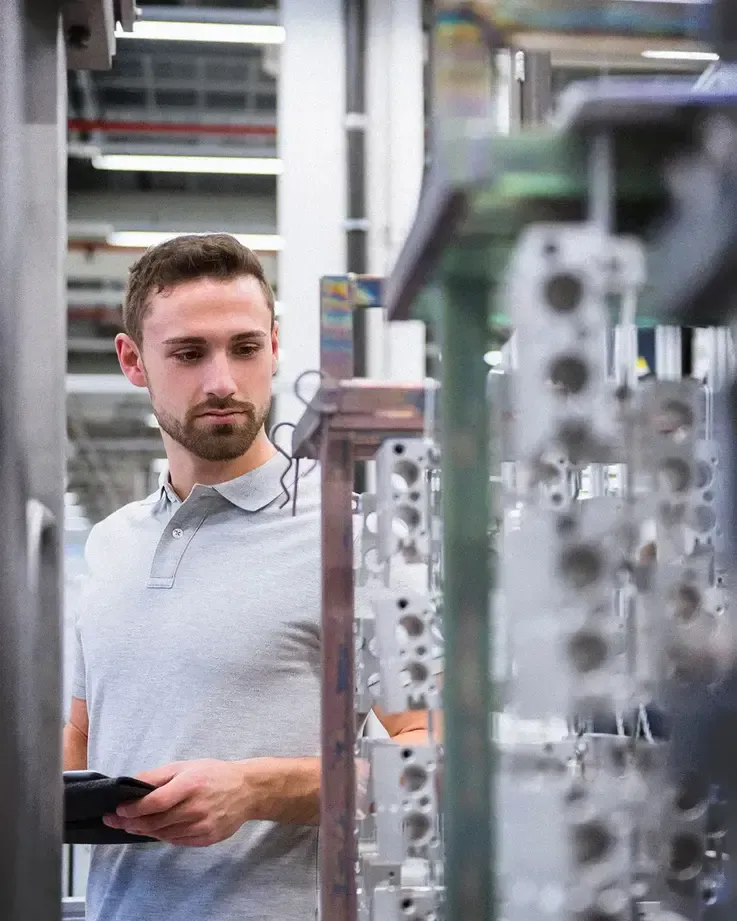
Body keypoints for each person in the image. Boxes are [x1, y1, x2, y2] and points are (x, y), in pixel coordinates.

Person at [63, 233, 428, 921]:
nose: (223, 382)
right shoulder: (112, 543)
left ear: (275, 346)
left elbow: (434, 759)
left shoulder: (354, 537)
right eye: (189, 353)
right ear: (133, 360)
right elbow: (80, 738)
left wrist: (258, 789)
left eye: (245, 347)